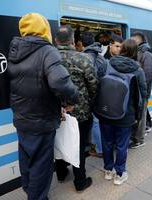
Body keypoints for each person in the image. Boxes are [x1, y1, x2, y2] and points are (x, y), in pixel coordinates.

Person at [7, 13, 79, 200]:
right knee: (42, 163)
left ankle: (30, 189)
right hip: (42, 119)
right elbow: (59, 82)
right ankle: (37, 196)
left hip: (21, 117)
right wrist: (72, 99)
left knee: (26, 157)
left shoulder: (15, 49)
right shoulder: (47, 51)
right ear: (44, 29)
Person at [96, 39, 147, 185]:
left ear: (122, 49)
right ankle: (119, 174)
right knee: (121, 145)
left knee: (106, 142)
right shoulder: (137, 70)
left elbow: (97, 85)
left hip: (105, 112)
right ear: (135, 52)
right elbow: (142, 96)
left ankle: (107, 170)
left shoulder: (107, 64)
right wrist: (138, 116)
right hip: (126, 115)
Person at [54, 25, 98, 191]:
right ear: (73, 40)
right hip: (80, 112)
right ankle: (80, 181)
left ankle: (61, 173)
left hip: (55, 111)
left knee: (59, 140)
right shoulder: (83, 59)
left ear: (56, 40)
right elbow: (93, 85)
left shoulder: (49, 58)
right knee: (78, 145)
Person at [129, 31, 152, 148]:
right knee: (137, 114)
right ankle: (135, 135)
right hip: (136, 90)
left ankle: (139, 139)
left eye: (132, 39)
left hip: (142, 91)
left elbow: (148, 75)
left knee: (141, 115)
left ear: (138, 40)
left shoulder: (146, 54)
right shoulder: (139, 52)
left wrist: (142, 90)